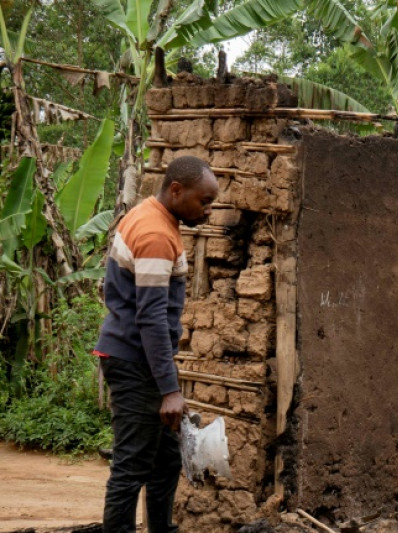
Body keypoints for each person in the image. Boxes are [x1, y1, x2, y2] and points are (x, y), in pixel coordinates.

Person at [93, 156, 219, 532]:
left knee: (165, 462)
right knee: (131, 467)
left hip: (139, 358)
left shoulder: (152, 215)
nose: (208, 210)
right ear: (176, 190)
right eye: (204, 201)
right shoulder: (156, 235)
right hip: (135, 362)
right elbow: (150, 320)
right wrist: (169, 390)